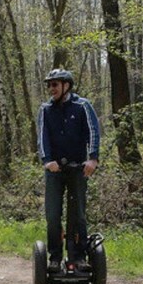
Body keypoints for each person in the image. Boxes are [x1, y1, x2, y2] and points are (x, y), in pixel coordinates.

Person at [37, 68, 101, 273]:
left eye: (54, 84)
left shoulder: (82, 106)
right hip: (54, 170)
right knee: (53, 215)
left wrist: (92, 158)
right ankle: (55, 257)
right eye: (49, 85)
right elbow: (42, 137)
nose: (51, 89)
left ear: (66, 85)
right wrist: (47, 160)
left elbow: (93, 131)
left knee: (78, 214)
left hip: (78, 169)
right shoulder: (46, 109)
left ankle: (78, 256)